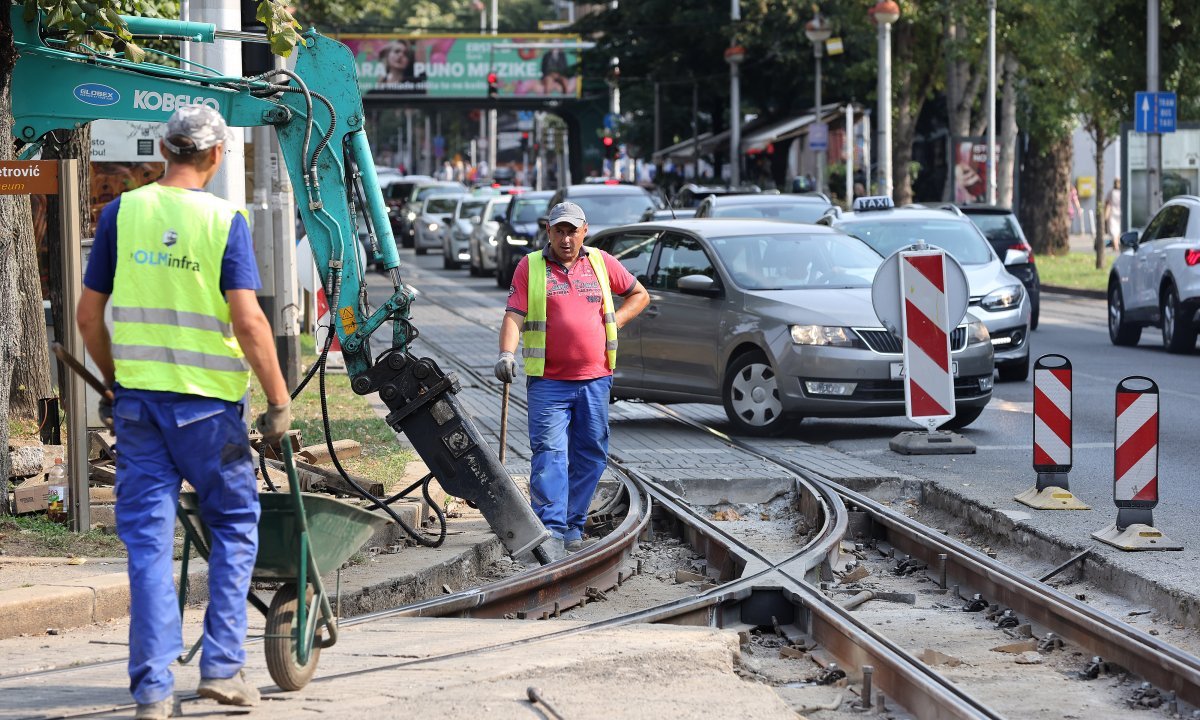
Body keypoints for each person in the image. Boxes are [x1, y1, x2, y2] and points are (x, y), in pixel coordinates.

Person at [76, 105, 290, 720]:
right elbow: (249, 321)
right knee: (234, 525)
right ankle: (221, 668)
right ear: (218, 155)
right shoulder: (226, 220)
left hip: (140, 410)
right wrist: (279, 400)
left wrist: (117, 383)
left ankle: (150, 690)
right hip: (210, 413)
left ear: (164, 151)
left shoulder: (124, 211)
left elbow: (90, 317)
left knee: (146, 543)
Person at [494, 202, 649, 559]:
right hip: (549, 381)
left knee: (591, 454)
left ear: (584, 231)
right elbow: (514, 315)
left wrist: (614, 323)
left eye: (572, 231)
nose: (566, 239)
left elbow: (640, 295)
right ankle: (551, 529)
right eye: (559, 231)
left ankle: (573, 524)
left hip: (595, 379)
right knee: (550, 453)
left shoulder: (601, 262)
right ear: (548, 231)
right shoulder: (530, 266)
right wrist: (505, 354)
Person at [1104, 178, 1122, 252]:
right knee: (1117, 231)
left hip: (1113, 214)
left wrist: (1105, 215)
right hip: (1120, 213)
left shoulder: (1111, 192)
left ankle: (1116, 246)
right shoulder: (1122, 192)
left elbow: (1107, 204)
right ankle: (1116, 245)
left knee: (1114, 231)